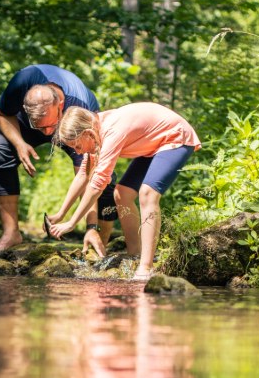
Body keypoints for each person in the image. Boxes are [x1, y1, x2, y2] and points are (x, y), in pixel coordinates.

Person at [46, 102, 202, 281]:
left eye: (77, 146)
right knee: (122, 194)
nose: (77, 151)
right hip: (153, 145)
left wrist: (72, 222)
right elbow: (83, 175)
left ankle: (145, 267)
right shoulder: (94, 130)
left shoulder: (111, 131)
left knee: (147, 194)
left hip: (175, 137)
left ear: (87, 134)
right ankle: (135, 256)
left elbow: (98, 183)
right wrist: (60, 215)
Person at [0, 64, 117, 256]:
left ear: (60, 105)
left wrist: (90, 226)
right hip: (26, 125)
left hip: (70, 124)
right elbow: (0, 113)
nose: (47, 134)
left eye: (49, 127)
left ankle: (97, 239)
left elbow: (88, 175)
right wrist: (20, 143)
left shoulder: (80, 106)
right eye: (40, 127)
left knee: (105, 175)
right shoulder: (21, 82)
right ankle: (11, 233)